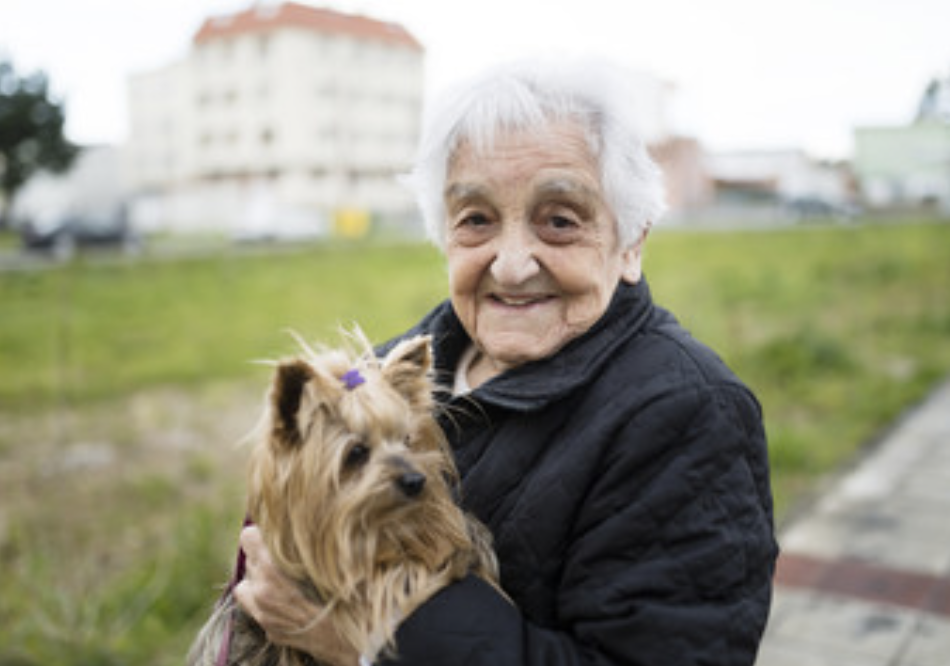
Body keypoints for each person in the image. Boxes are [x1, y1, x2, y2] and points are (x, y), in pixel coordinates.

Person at [235, 57, 778, 666]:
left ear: (631, 244)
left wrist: (365, 643)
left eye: (560, 220)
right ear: (444, 235)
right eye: (476, 220)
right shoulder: (378, 377)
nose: (513, 263)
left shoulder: (688, 414)